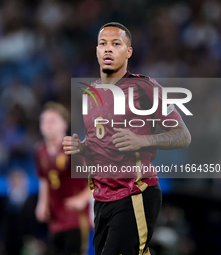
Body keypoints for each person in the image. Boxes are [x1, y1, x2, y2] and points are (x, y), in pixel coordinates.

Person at [62, 22, 191, 255]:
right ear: (97, 50)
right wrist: (81, 148)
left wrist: (144, 141)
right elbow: (99, 142)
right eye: (103, 44)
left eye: (116, 43)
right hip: (102, 197)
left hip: (135, 193)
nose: (108, 49)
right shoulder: (90, 93)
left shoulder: (145, 87)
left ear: (128, 51)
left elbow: (183, 136)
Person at [35, 102, 92, 255]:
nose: (48, 125)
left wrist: (82, 198)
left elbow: (99, 177)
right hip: (54, 220)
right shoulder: (41, 151)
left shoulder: (74, 149)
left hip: (76, 220)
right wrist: (42, 203)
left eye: (52, 121)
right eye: (44, 121)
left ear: (64, 125)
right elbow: (44, 179)